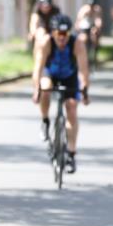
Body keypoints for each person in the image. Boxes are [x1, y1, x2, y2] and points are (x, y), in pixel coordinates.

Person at [32, 14, 90, 173]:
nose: (63, 38)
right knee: (45, 88)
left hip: (69, 76)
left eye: (66, 34)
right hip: (50, 73)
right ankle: (45, 121)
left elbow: (83, 70)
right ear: (53, 33)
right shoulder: (46, 43)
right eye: (59, 34)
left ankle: (71, 153)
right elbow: (37, 68)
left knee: (71, 109)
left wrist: (85, 89)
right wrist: (36, 88)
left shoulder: (77, 43)